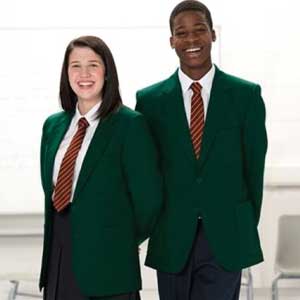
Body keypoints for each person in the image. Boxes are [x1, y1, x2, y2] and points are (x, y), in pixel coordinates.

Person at [135, 1, 268, 299]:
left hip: (225, 234)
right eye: (182, 33)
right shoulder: (149, 102)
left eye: (200, 30)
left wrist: (238, 223)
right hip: (172, 235)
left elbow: (253, 171)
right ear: (171, 42)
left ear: (212, 35)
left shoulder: (245, 96)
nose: (192, 39)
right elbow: (147, 175)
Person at [39, 35, 162, 300]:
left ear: (107, 72)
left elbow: (149, 200)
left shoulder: (130, 125)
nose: (84, 74)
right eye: (75, 65)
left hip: (110, 260)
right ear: (66, 73)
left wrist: (122, 239)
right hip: (59, 253)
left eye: (93, 64)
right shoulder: (53, 126)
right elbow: (50, 189)